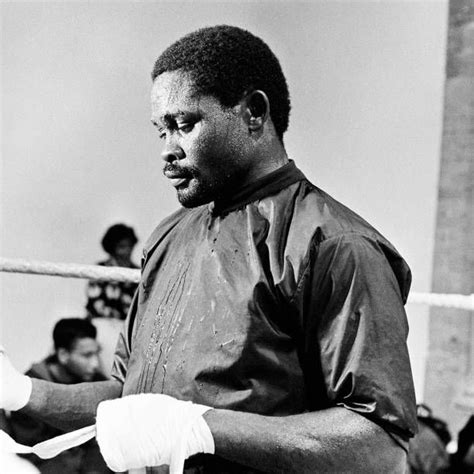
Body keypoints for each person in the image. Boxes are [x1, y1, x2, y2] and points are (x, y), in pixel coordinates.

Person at [1, 25, 417, 473]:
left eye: (184, 124)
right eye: (161, 130)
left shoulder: (335, 245)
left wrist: (200, 427)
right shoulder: (168, 236)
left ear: (253, 112)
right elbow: (129, 398)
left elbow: (381, 445)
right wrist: (22, 392)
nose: (167, 149)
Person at [8, 318, 110, 473]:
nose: (95, 363)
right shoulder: (29, 392)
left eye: (97, 353)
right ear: (63, 354)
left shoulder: (95, 381)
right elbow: (31, 452)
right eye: (87, 355)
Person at [85, 223, 139, 321]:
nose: (127, 251)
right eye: (122, 247)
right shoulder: (100, 269)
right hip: (102, 323)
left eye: (129, 246)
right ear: (112, 248)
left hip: (129, 326)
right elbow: (95, 304)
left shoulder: (138, 272)